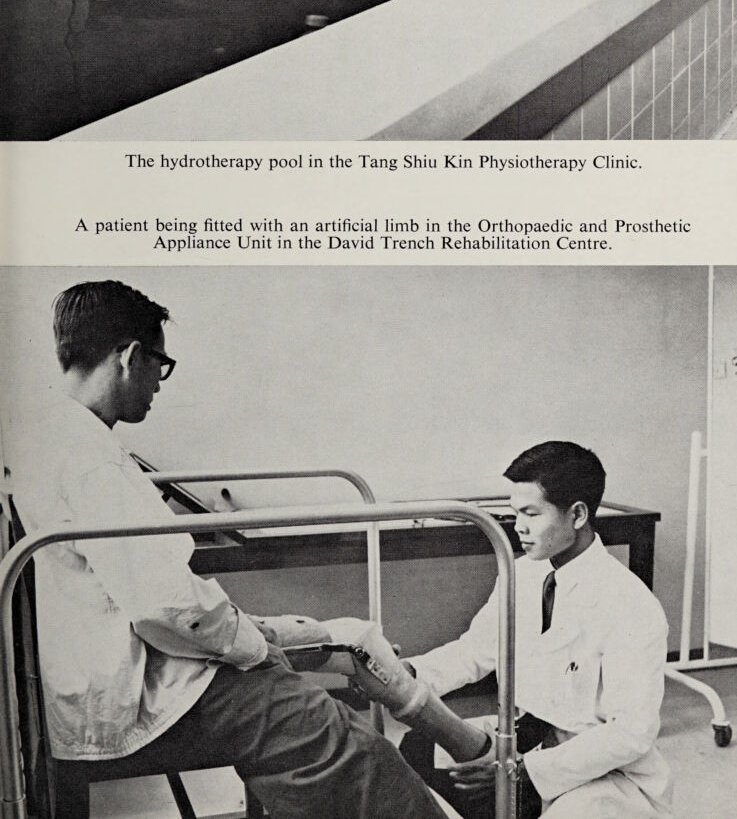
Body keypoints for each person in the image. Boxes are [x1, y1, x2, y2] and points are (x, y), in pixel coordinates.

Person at [9, 279, 447, 819]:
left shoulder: (49, 436)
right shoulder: (91, 461)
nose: (159, 384)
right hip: (136, 691)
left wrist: (244, 632)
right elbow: (166, 607)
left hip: (97, 679)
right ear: (128, 357)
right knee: (331, 736)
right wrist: (253, 645)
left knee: (314, 675)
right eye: (160, 365)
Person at [398, 441, 673, 819]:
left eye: (531, 514)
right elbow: (476, 651)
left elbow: (632, 733)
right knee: (419, 748)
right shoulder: (522, 573)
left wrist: (524, 774)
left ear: (577, 514)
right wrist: (404, 674)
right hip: (529, 741)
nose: (518, 528)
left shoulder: (632, 606)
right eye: (515, 514)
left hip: (603, 771)